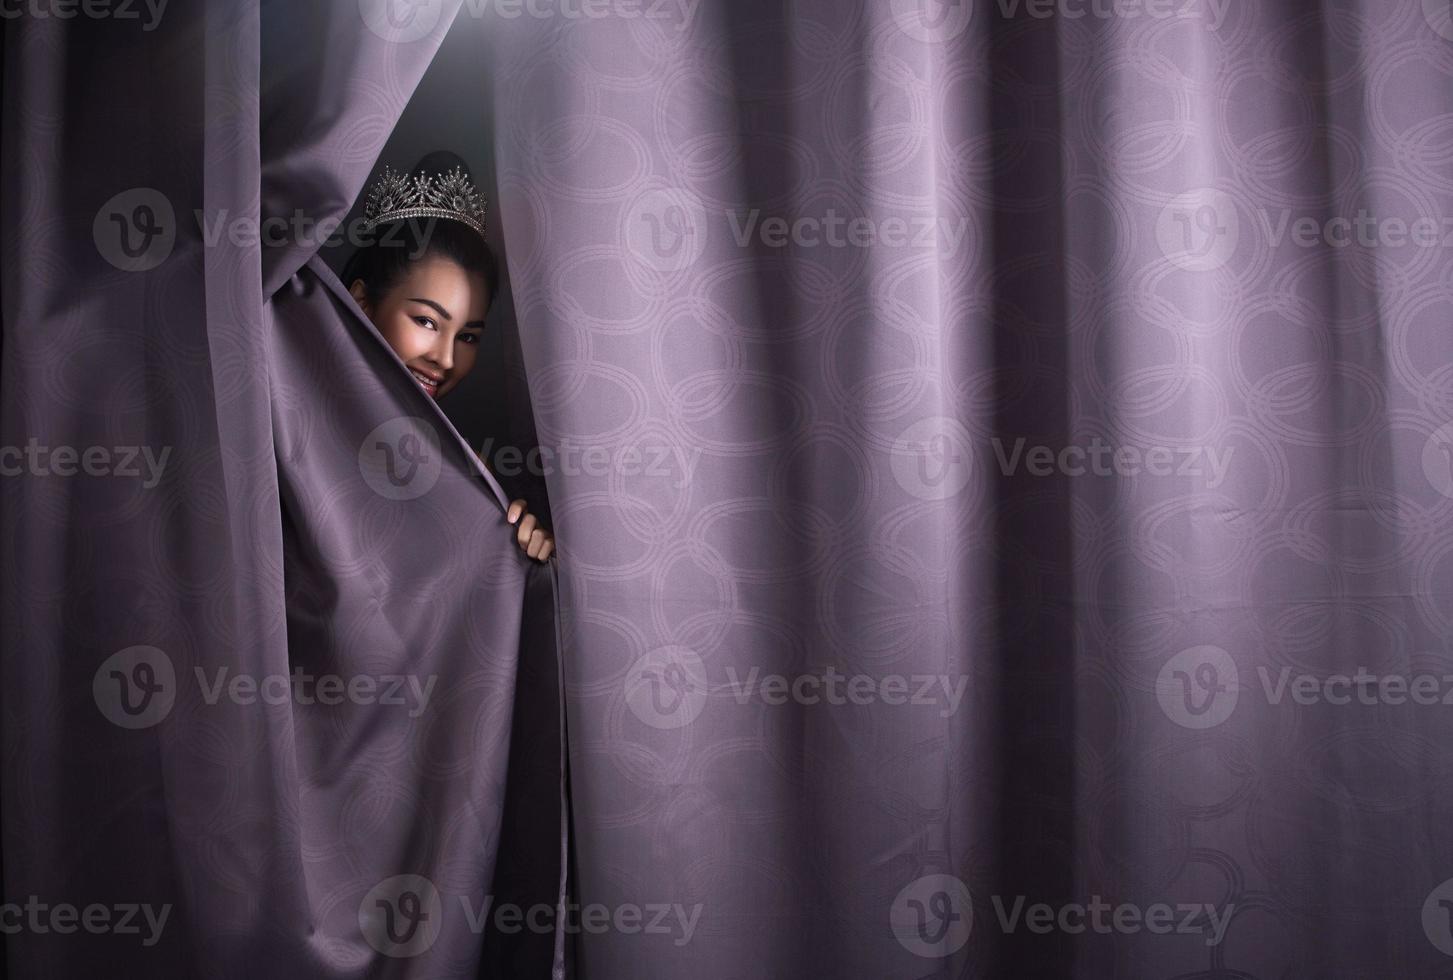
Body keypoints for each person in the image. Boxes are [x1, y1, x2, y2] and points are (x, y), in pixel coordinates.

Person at [342, 152, 554, 562]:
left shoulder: (469, 472)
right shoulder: (285, 417)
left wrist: (523, 552)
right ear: (363, 303)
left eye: (468, 336)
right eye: (426, 321)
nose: (446, 359)